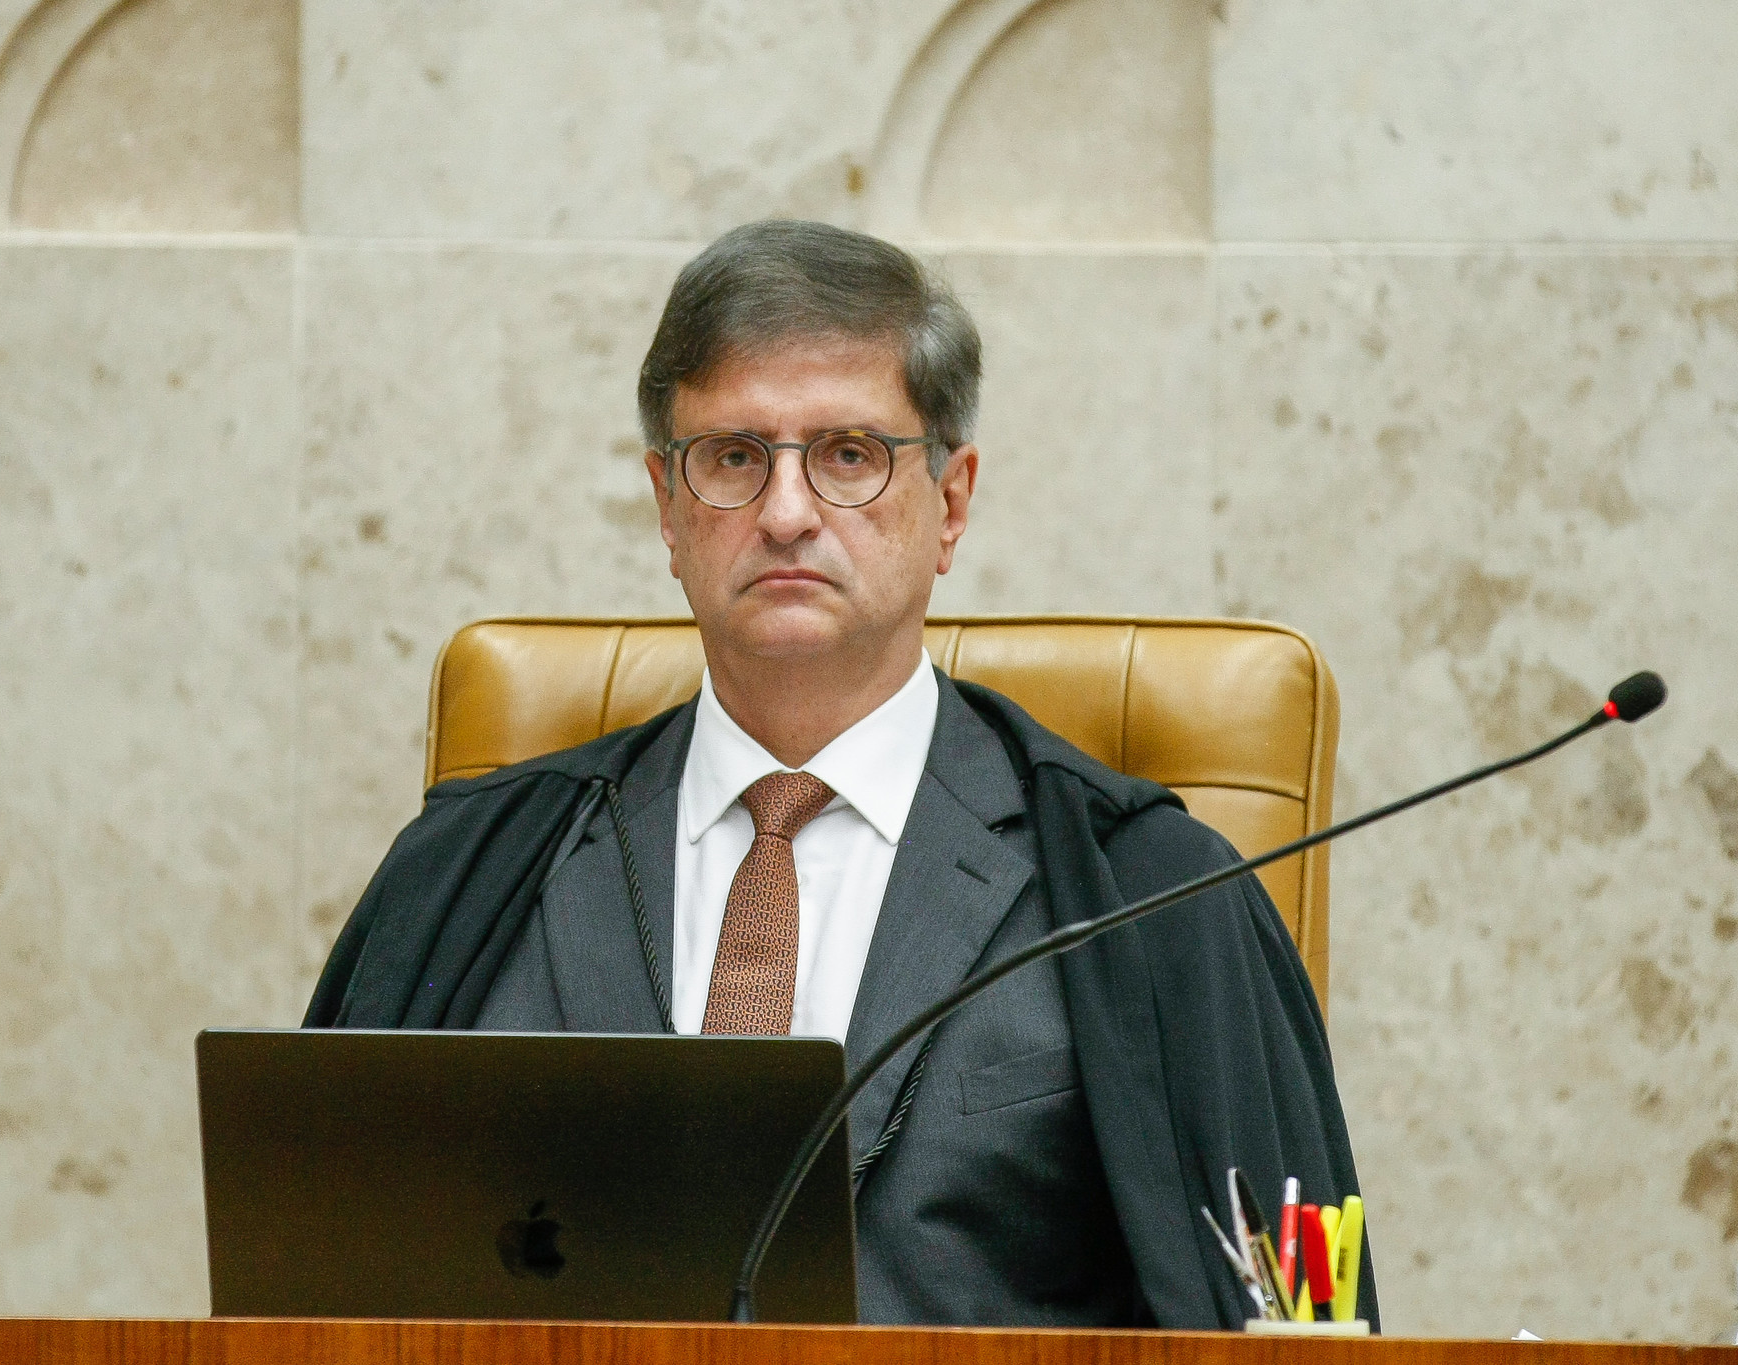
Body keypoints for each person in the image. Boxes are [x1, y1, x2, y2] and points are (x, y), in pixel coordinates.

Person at [305, 220, 1375, 1329]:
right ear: (667, 508)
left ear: (950, 503)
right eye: (733, 458)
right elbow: (301, 1293)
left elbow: (1298, 1344)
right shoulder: (462, 874)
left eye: (849, 456)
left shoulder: (1153, 897)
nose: (785, 513)